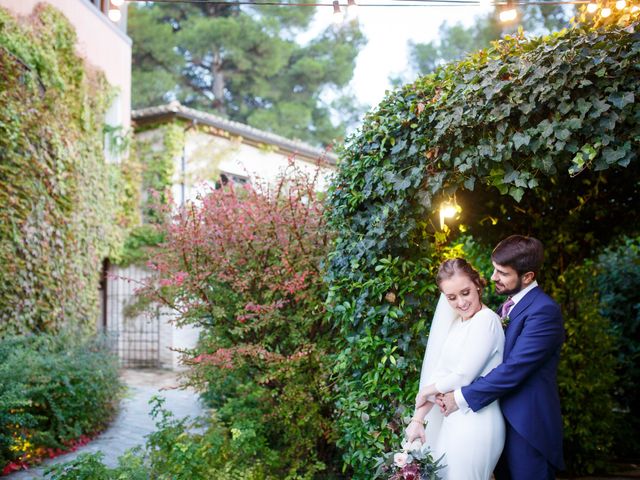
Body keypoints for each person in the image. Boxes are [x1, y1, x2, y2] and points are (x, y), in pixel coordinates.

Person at [437, 235, 565, 479]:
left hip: (528, 429)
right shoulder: (505, 308)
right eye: (495, 270)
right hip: (499, 422)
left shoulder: (544, 311)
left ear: (528, 277)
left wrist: (460, 397)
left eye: (502, 273)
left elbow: (515, 369)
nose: (494, 277)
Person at [405, 258, 505, 480]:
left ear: (477, 285)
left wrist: (425, 391)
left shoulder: (486, 320)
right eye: (452, 297)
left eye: (465, 292)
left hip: (478, 421)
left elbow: (463, 375)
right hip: (453, 420)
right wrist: (417, 419)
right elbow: (440, 373)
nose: (461, 302)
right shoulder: (457, 326)